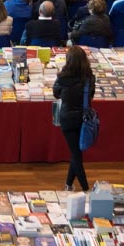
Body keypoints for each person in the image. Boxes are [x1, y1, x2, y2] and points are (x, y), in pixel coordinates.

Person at [53, 45, 95, 191]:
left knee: (76, 155)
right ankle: (70, 185)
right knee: (76, 153)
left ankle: (84, 189)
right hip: (83, 119)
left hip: (67, 119)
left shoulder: (63, 77)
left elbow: (56, 93)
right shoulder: (89, 77)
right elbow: (91, 95)